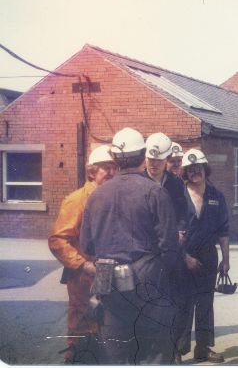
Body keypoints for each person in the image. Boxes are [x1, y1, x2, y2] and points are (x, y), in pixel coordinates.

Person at [80, 127, 181, 364]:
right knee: (154, 350)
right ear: (143, 155)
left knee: (115, 351)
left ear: (115, 158)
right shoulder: (155, 192)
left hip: (108, 280)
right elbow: (170, 245)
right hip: (149, 279)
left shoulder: (96, 196)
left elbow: (87, 245)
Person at [48, 145, 117, 364]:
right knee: (82, 328)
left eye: (114, 167)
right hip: (83, 278)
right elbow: (57, 240)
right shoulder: (77, 200)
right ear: (91, 172)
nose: (112, 173)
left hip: (107, 275)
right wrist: (83, 264)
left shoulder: (111, 197)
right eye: (106, 168)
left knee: (104, 327)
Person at [174, 148, 230, 363]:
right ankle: (178, 349)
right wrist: (184, 256)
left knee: (205, 303)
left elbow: (224, 231)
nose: (195, 172)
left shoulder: (217, 196)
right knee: (183, 302)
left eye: (199, 168)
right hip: (183, 255)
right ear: (185, 173)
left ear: (206, 170)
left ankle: (204, 348)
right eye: (190, 169)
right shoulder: (178, 195)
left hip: (208, 255)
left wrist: (226, 259)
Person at [144, 133, 187, 230]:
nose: (154, 164)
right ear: (145, 159)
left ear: (166, 159)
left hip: (170, 237)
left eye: (159, 160)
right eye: (151, 159)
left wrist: (179, 230)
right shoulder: (138, 182)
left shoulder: (176, 183)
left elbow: (183, 211)